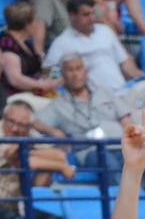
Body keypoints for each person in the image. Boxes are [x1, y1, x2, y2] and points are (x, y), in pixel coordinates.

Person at [31, 54, 129, 182]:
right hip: (90, 151)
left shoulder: (105, 92)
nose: (75, 74)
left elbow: (127, 121)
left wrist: (133, 141)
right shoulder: (58, 105)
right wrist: (54, 132)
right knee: (109, 163)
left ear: (86, 72)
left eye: (78, 69)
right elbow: (34, 123)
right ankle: (120, 201)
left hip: (120, 145)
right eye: (70, 70)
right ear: (63, 75)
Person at [44, 0, 143, 95]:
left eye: (93, 13)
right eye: (86, 15)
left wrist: (144, 78)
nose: (92, 18)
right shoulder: (62, 42)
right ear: (73, 16)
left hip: (122, 92)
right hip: (92, 100)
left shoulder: (105, 31)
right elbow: (49, 72)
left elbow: (125, 64)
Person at [0, 1, 60, 96]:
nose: (37, 24)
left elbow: (40, 69)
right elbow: (15, 79)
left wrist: (54, 74)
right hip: (14, 96)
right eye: (35, 21)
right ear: (27, 25)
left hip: (33, 92)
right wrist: (42, 85)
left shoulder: (27, 43)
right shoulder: (6, 44)